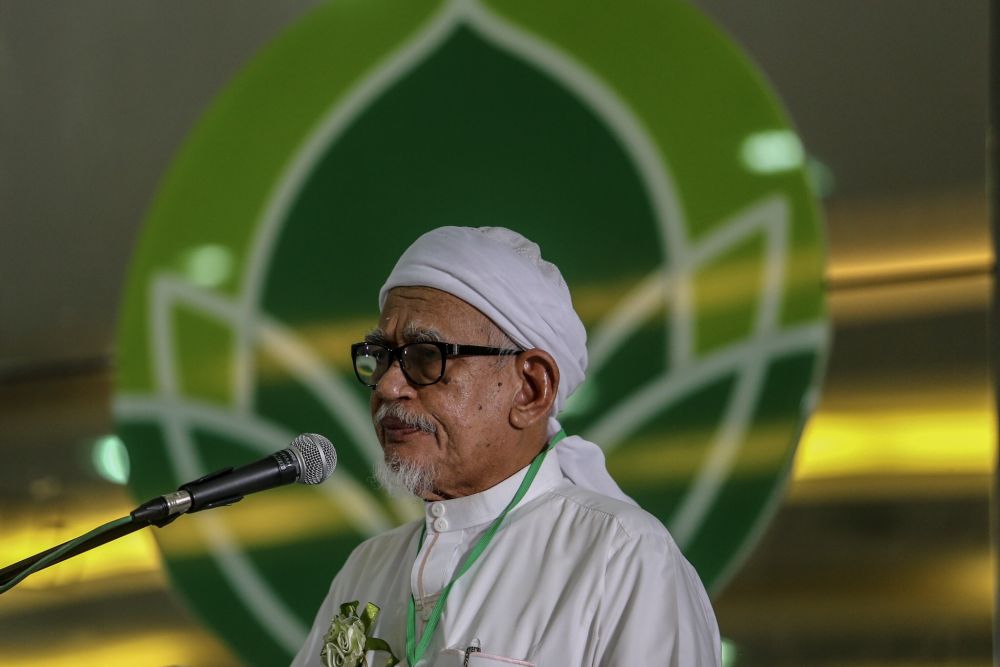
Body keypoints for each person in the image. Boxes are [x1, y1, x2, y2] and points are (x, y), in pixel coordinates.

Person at [292, 226, 720, 667]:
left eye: (426, 356)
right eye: (381, 355)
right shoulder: (368, 569)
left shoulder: (621, 557)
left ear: (531, 389)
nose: (387, 384)